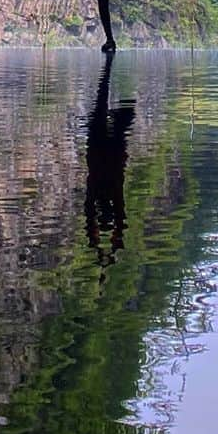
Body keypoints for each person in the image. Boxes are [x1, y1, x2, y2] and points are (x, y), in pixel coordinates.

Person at [84, 51, 135, 274]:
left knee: (109, 103)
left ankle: (117, 110)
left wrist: (106, 250)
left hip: (105, 148)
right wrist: (105, 250)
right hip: (104, 147)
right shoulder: (105, 191)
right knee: (110, 104)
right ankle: (117, 111)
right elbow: (92, 222)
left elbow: (114, 220)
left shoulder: (103, 191)